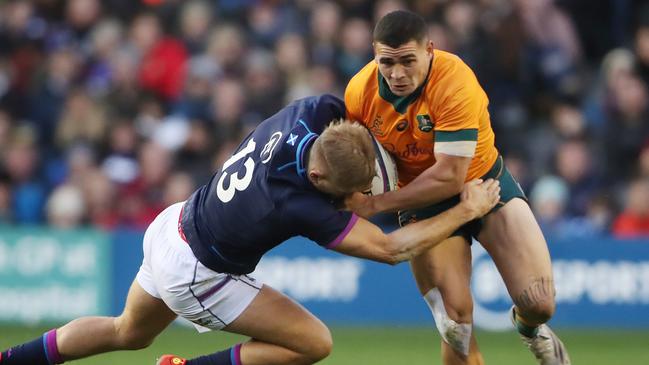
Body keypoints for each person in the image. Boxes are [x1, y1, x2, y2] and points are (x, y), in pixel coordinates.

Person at [0, 94, 500, 365]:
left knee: (125, 332)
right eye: (351, 194)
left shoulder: (313, 111)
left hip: (172, 224)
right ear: (321, 180)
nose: (359, 200)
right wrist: (462, 210)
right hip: (199, 270)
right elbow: (391, 250)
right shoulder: (293, 202)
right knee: (313, 343)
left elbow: (354, 111)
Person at [344, 10, 570, 365]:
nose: (397, 73)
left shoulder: (455, 81)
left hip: (483, 183)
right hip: (422, 203)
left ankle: (529, 328)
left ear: (430, 50)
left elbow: (450, 175)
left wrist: (376, 205)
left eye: (408, 60)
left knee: (539, 302)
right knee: (456, 323)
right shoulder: (359, 92)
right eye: (387, 62)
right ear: (374, 54)